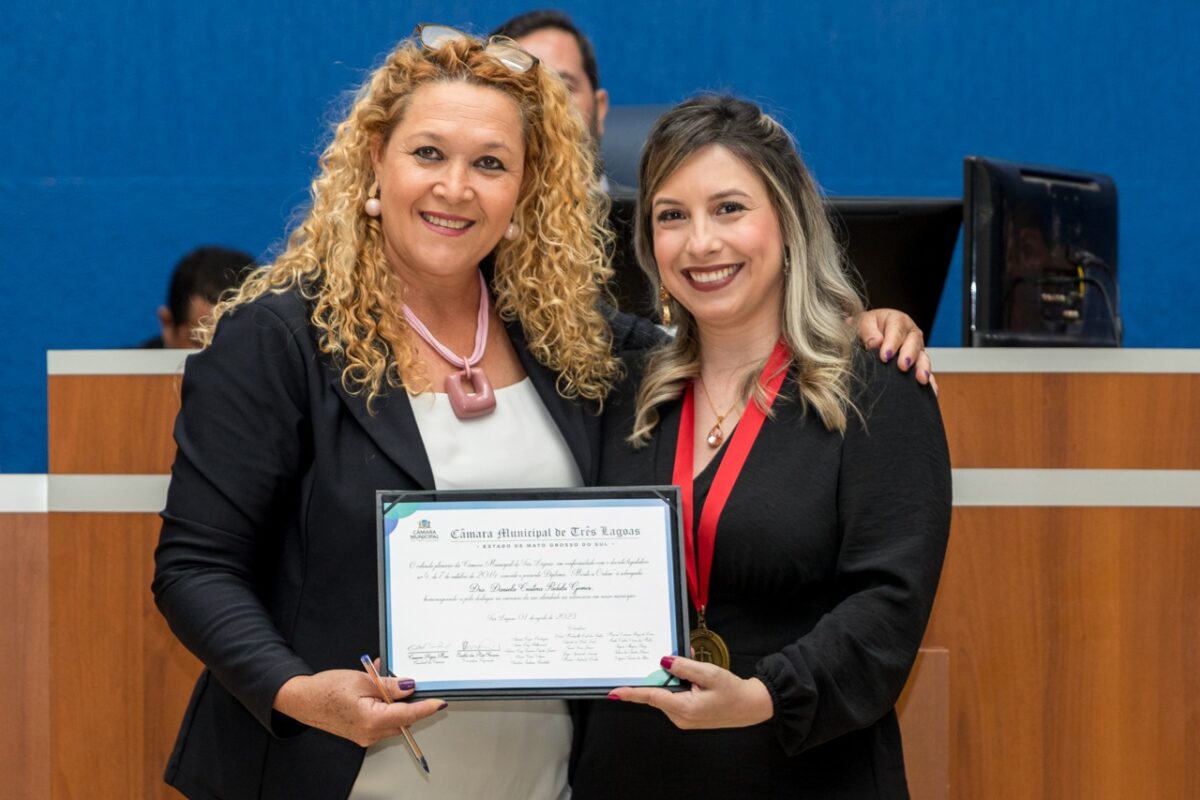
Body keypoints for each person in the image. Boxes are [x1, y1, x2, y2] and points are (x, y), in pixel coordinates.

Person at [152, 27, 933, 800]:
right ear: (372, 167)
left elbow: (738, 334)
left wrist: (861, 323)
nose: (456, 187)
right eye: (428, 153)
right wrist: (297, 693)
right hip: (341, 771)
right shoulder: (281, 339)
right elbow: (194, 567)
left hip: (546, 778)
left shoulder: (569, 342)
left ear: (522, 195)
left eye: (490, 164)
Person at [571, 96, 952, 798]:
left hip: (800, 767)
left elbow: (888, 607)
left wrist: (762, 695)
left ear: (787, 220)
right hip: (629, 773)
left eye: (729, 209)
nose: (700, 243)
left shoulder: (875, 387)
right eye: (671, 216)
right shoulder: (619, 389)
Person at [140, 245, 257, 348]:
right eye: (200, 344)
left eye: (235, 346)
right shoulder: (125, 370)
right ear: (168, 324)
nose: (220, 364)